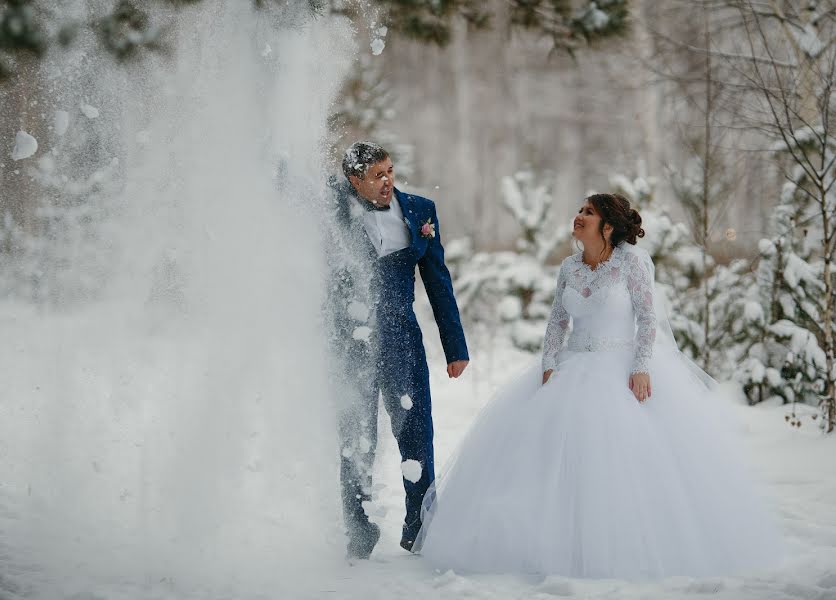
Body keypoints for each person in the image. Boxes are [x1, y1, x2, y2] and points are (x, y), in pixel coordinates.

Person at [412, 193, 782, 579]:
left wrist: (641, 367)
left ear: (608, 226)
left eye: (588, 213)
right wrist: (549, 363)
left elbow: (647, 318)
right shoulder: (569, 267)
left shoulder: (631, 265)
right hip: (572, 366)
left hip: (619, 368)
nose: (579, 216)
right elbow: (557, 321)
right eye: (580, 210)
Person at [324, 141, 469, 560]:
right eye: (377, 176)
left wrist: (454, 346)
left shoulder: (420, 210)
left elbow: (438, 280)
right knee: (356, 437)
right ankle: (359, 531)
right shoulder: (330, 207)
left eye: (390, 171)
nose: (387, 181)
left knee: (417, 432)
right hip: (348, 342)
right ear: (354, 181)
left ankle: (419, 526)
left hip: (402, 338)